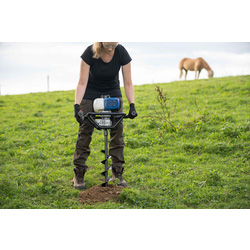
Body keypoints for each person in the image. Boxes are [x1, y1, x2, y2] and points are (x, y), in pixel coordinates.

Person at [73, 42, 137, 190]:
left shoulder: (121, 52)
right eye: (108, 45)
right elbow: (82, 83)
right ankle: (79, 172)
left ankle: (117, 172)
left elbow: (128, 82)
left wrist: (132, 105)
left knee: (117, 132)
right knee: (85, 131)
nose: (111, 49)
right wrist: (77, 106)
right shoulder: (90, 52)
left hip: (113, 93)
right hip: (90, 94)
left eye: (114, 45)